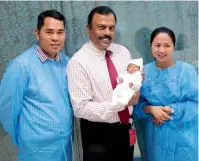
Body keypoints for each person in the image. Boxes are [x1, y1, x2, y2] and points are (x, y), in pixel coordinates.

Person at [66, 6, 140, 161]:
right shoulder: (78, 62)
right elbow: (81, 108)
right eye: (101, 27)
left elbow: (128, 82)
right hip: (98, 135)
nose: (107, 32)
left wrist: (137, 81)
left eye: (111, 28)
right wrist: (121, 103)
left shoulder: (123, 52)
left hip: (126, 128)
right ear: (88, 29)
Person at [0, 9, 73, 161]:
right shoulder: (20, 66)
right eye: (49, 32)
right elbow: (7, 110)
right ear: (37, 33)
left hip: (64, 146)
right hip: (36, 150)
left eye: (60, 32)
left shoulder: (67, 63)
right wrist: (27, 141)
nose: (55, 38)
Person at [134, 27, 198, 161]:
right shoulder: (143, 72)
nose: (161, 50)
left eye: (167, 45)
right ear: (151, 46)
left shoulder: (187, 71)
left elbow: (195, 104)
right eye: (157, 45)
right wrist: (151, 109)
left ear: (173, 46)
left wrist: (170, 110)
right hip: (156, 137)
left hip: (184, 137)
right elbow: (136, 105)